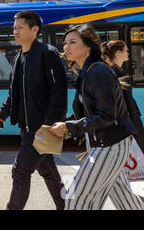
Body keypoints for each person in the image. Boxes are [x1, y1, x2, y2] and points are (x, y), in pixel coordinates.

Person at [49, 24, 144, 210]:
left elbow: (107, 115)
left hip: (109, 146)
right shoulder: (87, 72)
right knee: (128, 202)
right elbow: (89, 112)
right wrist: (64, 125)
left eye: (72, 42)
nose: (66, 47)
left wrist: (70, 127)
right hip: (104, 145)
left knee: (75, 200)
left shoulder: (98, 71)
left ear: (88, 46)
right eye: (65, 43)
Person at [0, 10, 67, 210]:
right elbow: (13, 93)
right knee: (48, 172)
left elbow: (58, 93)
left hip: (40, 129)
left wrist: (48, 125)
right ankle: (66, 206)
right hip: (26, 127)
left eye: (19, 27)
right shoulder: (19, 57)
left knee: (20, 172)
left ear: (34, 29)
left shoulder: (48, 54)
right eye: (14, 28)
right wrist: (2, 115)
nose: (15, 31)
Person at [101, 40, 144, 152]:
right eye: (126, 50)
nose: (128, 53)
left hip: (131, 117)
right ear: (118, 53)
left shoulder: (116, 70)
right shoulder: (114, 71)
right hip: (128, 119)